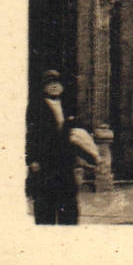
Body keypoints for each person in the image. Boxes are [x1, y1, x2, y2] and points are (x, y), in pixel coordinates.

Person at [26, 69, 89, 224]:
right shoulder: (36, 107)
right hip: (45, 161)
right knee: (45, 203)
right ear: (43, 87)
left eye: (56, 83)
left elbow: (77, 134)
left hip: (65, 161)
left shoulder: (67, 106)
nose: (54, 86)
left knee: (68, 202)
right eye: (49, 84)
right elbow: (31, 135)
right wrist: (33, 160)